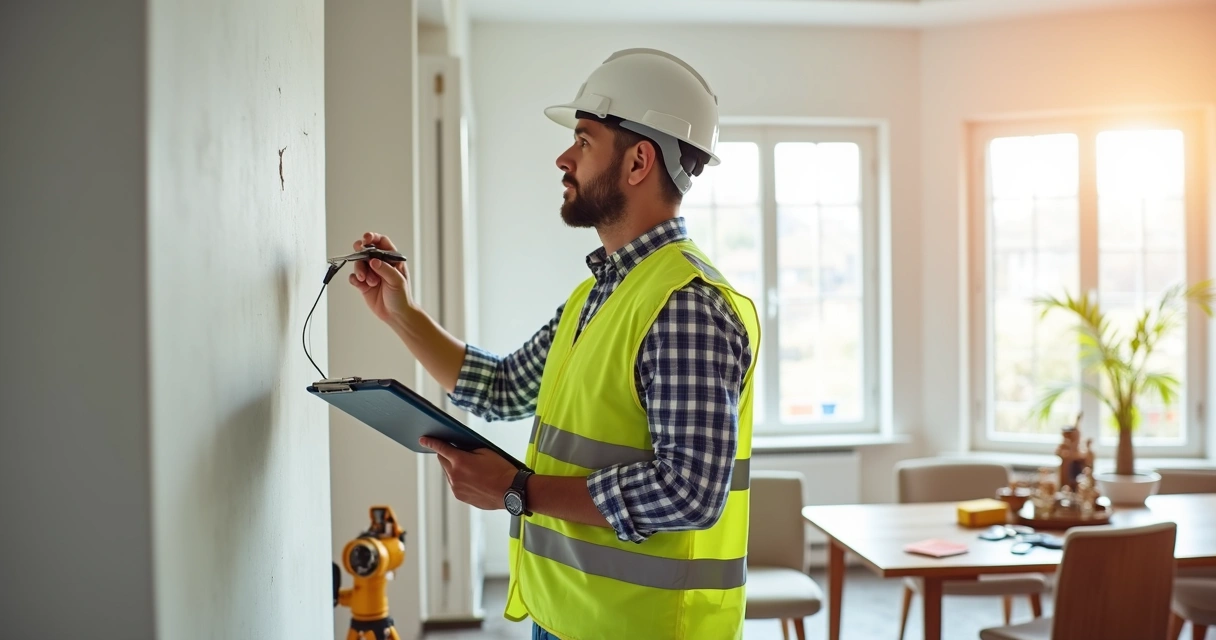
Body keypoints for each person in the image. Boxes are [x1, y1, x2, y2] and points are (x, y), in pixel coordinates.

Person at [349, 48, 760, 640]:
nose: (564, 158)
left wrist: (516, 491)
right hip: (566, 616)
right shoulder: (598, 297)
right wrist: (400, 314)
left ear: (639, 161)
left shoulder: (685, 306)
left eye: (585, 140)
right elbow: (502, 387)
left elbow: (689, 492)